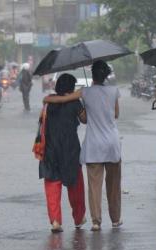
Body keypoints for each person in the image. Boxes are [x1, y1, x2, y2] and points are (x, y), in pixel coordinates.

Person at [43, 60, 122, 232]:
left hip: (81, 147)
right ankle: (112, 220)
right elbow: (114, 114)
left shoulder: (82, 93)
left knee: (91, 186)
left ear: (92, 74)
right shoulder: (113, 91)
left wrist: (48, 98)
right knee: (110, 184)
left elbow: (60, 99)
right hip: (106, 144)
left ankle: (93, 222)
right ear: (106, 75)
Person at [39, 73, 87, 233]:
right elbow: (85, 119)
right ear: (71, 87)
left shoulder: (48, 101)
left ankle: (55, 221)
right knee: (75, 185)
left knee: (52, 184)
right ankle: (78, 218)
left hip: (51, 148)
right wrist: (83, 101)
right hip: (70, 148)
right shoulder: (75, 103)